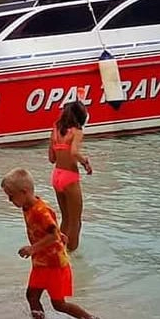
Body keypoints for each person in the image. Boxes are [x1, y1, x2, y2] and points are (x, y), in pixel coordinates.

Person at [1, 167, 100, 319]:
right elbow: (52, 230)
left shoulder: (40, 210)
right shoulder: (27, 207)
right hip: (41, 263)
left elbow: (52, 235)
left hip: (54, 263)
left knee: (59, 304)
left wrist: (33, 248)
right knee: (32, 296)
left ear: (24, 192)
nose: (10, 200)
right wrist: (59, 234)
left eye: (11, 196)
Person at [48, 100, 92, 251]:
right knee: (76, 221)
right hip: (69, 177)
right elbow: (73, 152)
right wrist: (85, 162)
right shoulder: (77, 132)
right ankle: (72, 255)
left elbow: (51, 158)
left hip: (56, 175)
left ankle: (59, 249)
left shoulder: (54, 130)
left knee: (65, 219)